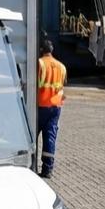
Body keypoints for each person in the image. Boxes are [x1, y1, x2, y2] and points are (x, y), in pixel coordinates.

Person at [36, 39, 67, 179]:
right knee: (50, 137)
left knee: (32, 136)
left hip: (41, 106)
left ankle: (29, 164)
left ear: (41, 50)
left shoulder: (40, 63)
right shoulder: (62, 66)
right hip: (56, 107)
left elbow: (32, 82)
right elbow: (63, 83)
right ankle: (47, 169)